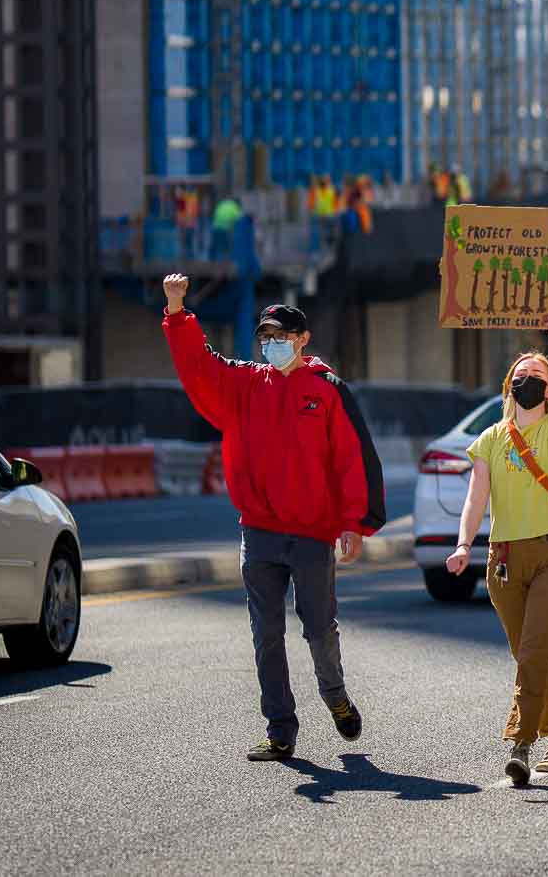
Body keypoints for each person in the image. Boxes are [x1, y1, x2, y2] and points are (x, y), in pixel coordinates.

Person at [160, 278, 385, 761]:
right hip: (258, 530)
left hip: (311, 533)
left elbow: (353, 458)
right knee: (266, 634)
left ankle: (335, 696)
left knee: (319, 628)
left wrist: (355, 523)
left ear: (302, 339)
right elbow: (200, 366)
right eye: (265, 338)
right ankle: (280, 729)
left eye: (280, 337)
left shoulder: (326, 390)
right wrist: (178, 311)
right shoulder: (244, 384)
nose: (271, 345)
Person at [445, 309, 548, 785]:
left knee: (532, 653)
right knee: (528, 653)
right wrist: (464, 543)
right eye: (520, 374)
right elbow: (475, 496)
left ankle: (521, 744)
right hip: (503, 560)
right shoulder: (491, 438)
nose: (527, 379)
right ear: (509, 385)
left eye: (537, 376)